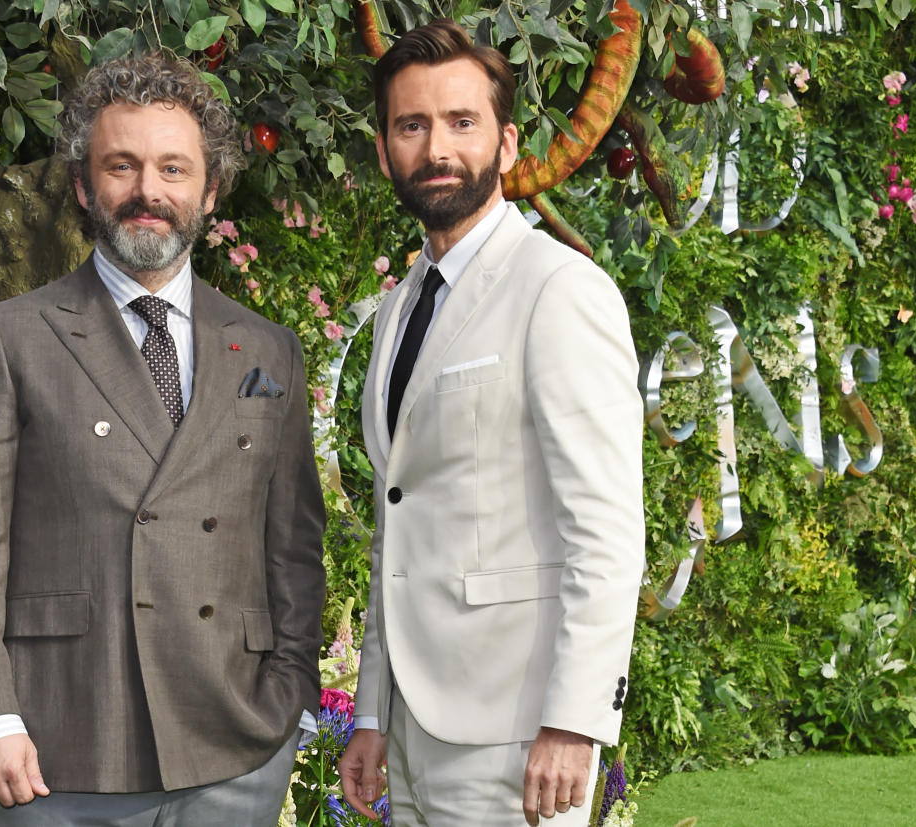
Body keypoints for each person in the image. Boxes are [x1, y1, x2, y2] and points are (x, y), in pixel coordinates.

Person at [0, 53, 327, 826]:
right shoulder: (13, 338)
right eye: (122, 165)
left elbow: (293, 547)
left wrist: (293, 696)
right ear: (83, 185)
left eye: (174, 168)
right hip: (61, 740)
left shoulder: (269, 349)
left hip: (238, 744)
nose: (149, 191)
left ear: (209, 191)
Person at [337, 19, 645, 827]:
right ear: (385, 152)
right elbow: (397, 526)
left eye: (461, 122)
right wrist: (372, 713)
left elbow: (606, 528)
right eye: (412, 125)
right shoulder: (403, 305)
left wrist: (575, 721)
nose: (437, 146)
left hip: (519, 734)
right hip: (414, 728)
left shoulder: (559, 290)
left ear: (506, 145)